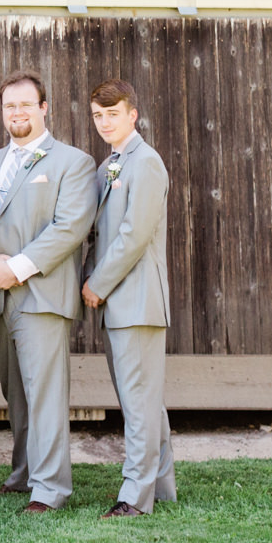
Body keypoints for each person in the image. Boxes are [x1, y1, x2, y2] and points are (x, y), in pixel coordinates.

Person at [0, 70, 98, 514]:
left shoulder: (73, 162)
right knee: (17, 393)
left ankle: (50, 489)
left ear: (44, 108)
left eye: (26, 104)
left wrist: (19, 268)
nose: (18, 113)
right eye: (10, 106)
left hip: (41, 294)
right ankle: (24, 472)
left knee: (44, 393)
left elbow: (70, 228)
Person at [82, 78, 176, 518]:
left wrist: (97, 283)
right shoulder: (109, 167)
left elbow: (134, 235)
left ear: (132, 115)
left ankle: (134, 499)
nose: (104, 122)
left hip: (136, 298)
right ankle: (161, 488)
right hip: (119, 303)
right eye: (98, 116)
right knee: (143, 401)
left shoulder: (147, 163)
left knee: (138, 403)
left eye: (112, 114)